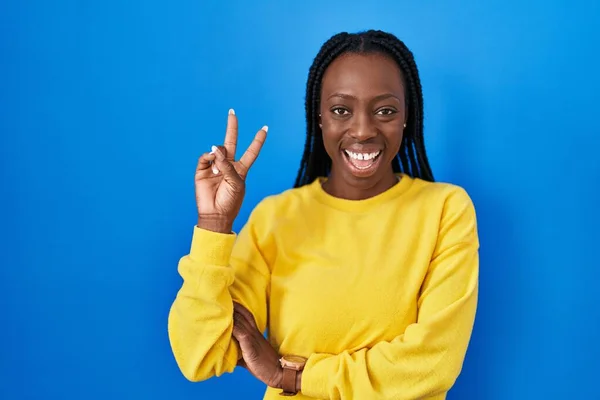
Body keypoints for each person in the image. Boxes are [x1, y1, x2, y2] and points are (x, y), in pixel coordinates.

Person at [168, 29, 479, 400]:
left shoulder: (445, 210)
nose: (362, 130)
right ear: (318, 118)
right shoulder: (276, 218)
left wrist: (295, 378)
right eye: (341, 110)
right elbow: (199, 355)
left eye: (385, 110)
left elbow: (433, 363)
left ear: (407, 117)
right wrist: (214, 225)